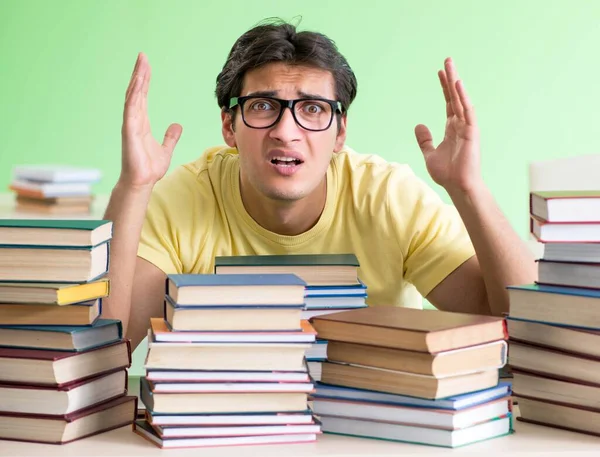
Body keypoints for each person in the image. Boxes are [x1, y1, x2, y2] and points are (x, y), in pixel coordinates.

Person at [103, 19, 536, 350]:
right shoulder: (185, 198)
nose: (286, 131)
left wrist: (469, 190)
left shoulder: (388, 197)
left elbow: (523, 325)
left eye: (312, 109)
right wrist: (133, 187)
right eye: (262, 106)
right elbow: (108, 350)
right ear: (229, 127)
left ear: (340, 133)